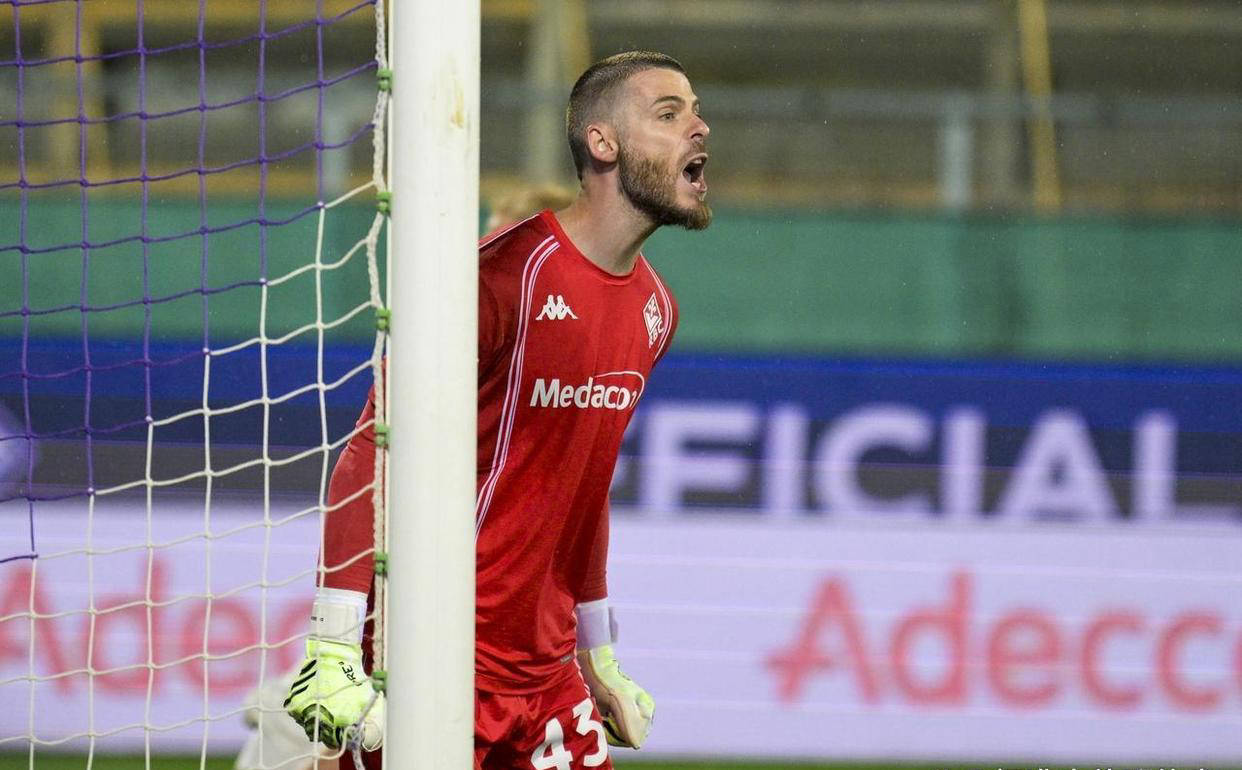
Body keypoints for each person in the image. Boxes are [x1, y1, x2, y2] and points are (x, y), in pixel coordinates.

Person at [284, 50, 711, 769]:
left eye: (696, 112)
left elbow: (584, 490)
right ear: (603, 143)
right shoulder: (498, 276)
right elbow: (373, 449)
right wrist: (333, 642)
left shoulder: (656, 309)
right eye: (669, 114)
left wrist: (598, 654)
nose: (699, 128)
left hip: (546, 680)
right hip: (433, 661)